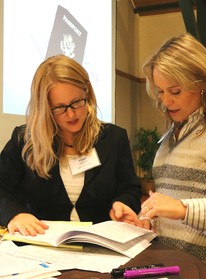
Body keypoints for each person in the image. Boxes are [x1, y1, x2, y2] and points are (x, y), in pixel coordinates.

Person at [139, 33, 206, 279]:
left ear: (202, 82)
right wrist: (146, 219)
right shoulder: (172, 133)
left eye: (175, 91)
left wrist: (183, 209)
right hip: (177, 269)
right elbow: (175, 204)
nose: (166, 101)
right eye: (160, 92)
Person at [0, 55, 142, 237]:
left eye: (77, 102)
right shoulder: (25, 141)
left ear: (87, 94)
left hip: (100, 246)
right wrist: (14, 215)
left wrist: (122, 203)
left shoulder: (114, 138)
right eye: (59, 107)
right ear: (45, 108)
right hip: (40, 247)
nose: (71, 114)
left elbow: (130, 189)